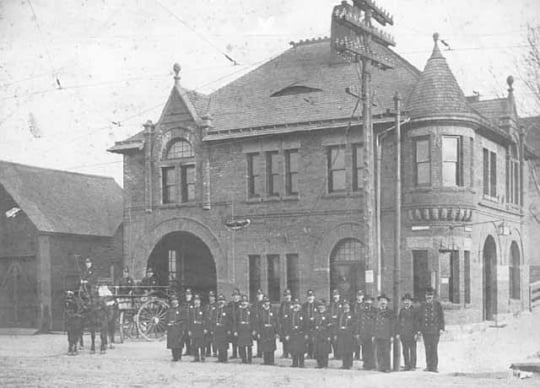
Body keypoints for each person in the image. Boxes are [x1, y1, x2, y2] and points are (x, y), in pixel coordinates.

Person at [417, 286, 445, 373]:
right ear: (425, 296)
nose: (429, 297)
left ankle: (434, 367)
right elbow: (419, 318)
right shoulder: (423, 305)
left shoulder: (437, 305)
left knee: (434, 348)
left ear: (433, 296)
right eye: (427, 295)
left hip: (435, 330)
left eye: (431, 295)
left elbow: (441, 317)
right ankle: (428, 366)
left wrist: (441, 328)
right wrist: (419, 330)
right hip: (425, 330)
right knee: (427, 348)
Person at [373, 294, 396, 373]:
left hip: (386, 335)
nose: (383, 302)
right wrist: (373, 334)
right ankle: (380, 366)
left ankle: (387, 367)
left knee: (386, 351)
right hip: (378, 335)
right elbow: (373, 323)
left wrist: (392, 336)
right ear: (379, 302)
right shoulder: (376, 311)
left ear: (387, 302)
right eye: (381, 301)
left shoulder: (390, 312)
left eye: (384, 301)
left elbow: (393, 325)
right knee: (379, 352)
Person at [398, 293, 418, 371]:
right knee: (405, 350)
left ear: (411, 302)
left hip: (412, 333)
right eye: (405, 301)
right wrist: (399, 333)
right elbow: (399, 322)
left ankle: (413, 365)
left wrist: (416, 333)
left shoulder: (414, 310)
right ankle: (407, 365)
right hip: (404, 333)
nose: (407, 302)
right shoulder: (402, 311)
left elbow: (417, 322)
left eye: (408, 301)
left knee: (412, 350)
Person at [355, 295, 376, 370]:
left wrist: (374, 334)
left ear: (372, 302)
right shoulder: (361, 311)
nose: (367, 302)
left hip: (371, 333)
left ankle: (372, 365)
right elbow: (358, 322)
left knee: (371, 349)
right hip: (363, 333)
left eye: (369, 300)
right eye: (366, 301)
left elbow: (376, 323)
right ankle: (366, 364)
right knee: (364, 349)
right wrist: (357, 333)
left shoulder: (374, 310)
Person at [285, 299, 307, 368]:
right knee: (293, 349)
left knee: (301, 350)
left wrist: (306, 334)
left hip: (301, 334)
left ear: (300, 306)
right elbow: (287, 325)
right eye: (295, 304)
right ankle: (294, 363)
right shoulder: (291, 314)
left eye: (297, 304)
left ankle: (301, 363)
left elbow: (307, 325)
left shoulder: (303, 314)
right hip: (292, 334)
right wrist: (287, 334)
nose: (296, 306)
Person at [234, 294, 256, 364]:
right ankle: (244, 359)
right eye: (242, 302)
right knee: (242, 346)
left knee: (249, 346)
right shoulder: (238, 311)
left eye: (245, 302)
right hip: (241, 330)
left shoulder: (251, 311)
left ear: (248, 303)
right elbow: (235, 322)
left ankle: (249, 359)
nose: (244, 303)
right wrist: (235, 330)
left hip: (248, 330)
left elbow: (254, 321)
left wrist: (254, 330)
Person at [257, 296, 278, 365]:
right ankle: (266, 361)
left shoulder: (273, 311)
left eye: (267, 302)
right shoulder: (261, 312)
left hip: (271, 331)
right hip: (263, 331)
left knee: (271, 346)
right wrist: (259, 332)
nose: (266, 304)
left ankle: (271, 361)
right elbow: (258, 322)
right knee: (265, 346)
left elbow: (276, 321)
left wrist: (276, 331)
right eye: (265, 302)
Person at [210, 294, 231, 363]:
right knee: (218, 343)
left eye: (222, 300)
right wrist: (213, 328)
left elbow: (230, 320)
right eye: (219, 300)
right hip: (217, 328)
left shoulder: (227, 309)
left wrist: (228, 329)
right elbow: (213, 319)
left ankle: (225, 358)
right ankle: (220, 358)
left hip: (224, 329)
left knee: (224, 344)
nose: (221, 302)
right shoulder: (216, 310)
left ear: (224, 301)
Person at [166, 295, 187, 361]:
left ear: (177, 301)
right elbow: (166, 319)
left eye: (175, 300)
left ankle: (179, 356)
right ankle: (174, 356)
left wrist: (183, 329)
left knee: (179, 342)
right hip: (171, 329)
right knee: (172, 343)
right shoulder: (169, 310)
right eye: (173, 300)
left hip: (178, 328)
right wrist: (167, 326)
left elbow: (184, 320)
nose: (174, 302)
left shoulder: (181, 309)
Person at [335, 301, 355, 369]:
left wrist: (347, 328)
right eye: (344, 305)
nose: (345, 307)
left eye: (347, 305)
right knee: (343, 349)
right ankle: (344, 364)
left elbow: (354, 324)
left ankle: (349, 364)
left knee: (349, 350)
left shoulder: (352, 314)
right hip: (341, 334)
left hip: (349, 334)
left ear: (349, 306)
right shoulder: (341, 314)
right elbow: (337, 323)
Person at [188, 294, 207, 362]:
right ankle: (196, 357)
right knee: (194, 343)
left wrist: (205, 328)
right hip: (194, 328)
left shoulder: (203, 309)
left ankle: (203, 356)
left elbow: (205, 319)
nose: (196, 302)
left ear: (200, 301)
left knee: (202, 343)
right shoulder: (191, 310)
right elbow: (189, 320)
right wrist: (189, 329)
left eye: (198, 300)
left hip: (201, 328)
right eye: (195, 300)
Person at [313, 299, 332, 368]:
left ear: (325, 306)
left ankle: (325, 364)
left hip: (325, 335)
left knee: (324, 351)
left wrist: (329, 335)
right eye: (319, 306)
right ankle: (319, 364)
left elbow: (330, 326)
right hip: (317, 335)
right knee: (318, 351)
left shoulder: (328, 315)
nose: (320, 307)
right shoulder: (317, 315)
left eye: (322, 305)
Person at [278, 289, 293, 358]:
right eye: (286, 295)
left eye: (288, 295)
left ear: (291, 296)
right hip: (284, 324)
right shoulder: (283, 304)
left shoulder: (292, 304)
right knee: (284, 339)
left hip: (291, 324)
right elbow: (280, 314)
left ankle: (291, 352)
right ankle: (285, 353)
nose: (287, 297)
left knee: (291, 339)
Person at [328, 289, 343, 359]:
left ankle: (340, 355)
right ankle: (335, 354)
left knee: (339, 340)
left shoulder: (342, 304)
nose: (335, 296)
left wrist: (337, 317)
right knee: (333, 340)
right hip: (332, 325)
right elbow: (329, 313)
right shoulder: (331, 304)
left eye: (336, 295)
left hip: (339, 325)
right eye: (334, 295)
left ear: (339, 296)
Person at [301, 289, 316, 358]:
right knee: (308, 340)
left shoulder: (317, 305)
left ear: (314, 297)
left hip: (315, 325)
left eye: (311, 296)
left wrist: (314, 318)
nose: (310, 298)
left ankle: (314, 354)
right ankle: (309, 354)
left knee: (314, 340)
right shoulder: (304, 306)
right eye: (309, 296)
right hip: (307, 325)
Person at [227, 288, 242, 359]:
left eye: (237, 295)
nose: (236, 297)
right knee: (233, 340)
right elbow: (228, 315)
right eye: (234, 295)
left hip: (240, 325)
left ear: (239, 296)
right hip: (232, 324)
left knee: (241, 340)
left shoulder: (242, 304)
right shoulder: (230, 304)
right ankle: (234, 353)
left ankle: (242, 354)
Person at [351, 290, 364, 360]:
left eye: (360, 296)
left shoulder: (364, 305)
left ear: (362, 297)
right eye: (358, 296)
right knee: (355, 340)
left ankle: (363, 356)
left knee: (362, 340)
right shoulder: (354, 305)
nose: (359, 297)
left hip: (362, 324)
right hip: (355, 324)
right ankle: (357, 355)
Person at [204, 291, 217, 357]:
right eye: (210, 297)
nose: (211, 298)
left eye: (212, 297)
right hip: (207, 325)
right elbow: (205, 316)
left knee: (214, 339)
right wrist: (205, 327)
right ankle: (208, 352)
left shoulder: (216, 305)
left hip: (214, 325)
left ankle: (215, 352)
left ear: (214, 298)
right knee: (207, 339)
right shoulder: (207, 306)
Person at [182, 288, 194, 356]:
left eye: (189, 295)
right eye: (187, 295)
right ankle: (188, 350)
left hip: (191, 322)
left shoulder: (193, 304)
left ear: (191, 296)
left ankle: (192, 351)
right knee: (186, 337)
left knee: (192, 337)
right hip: (185, 323)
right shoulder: (184, 304)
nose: (187, 296)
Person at [253, 289, 265, 358]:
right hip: (257, 323)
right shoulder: (255, 304)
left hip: (262, 323)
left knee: (263, 338)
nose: (259, 296)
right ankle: (259, 353)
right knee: (258, 338)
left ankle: (263, 352)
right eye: (258, 294)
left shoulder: (264, 303)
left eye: (260, 294)